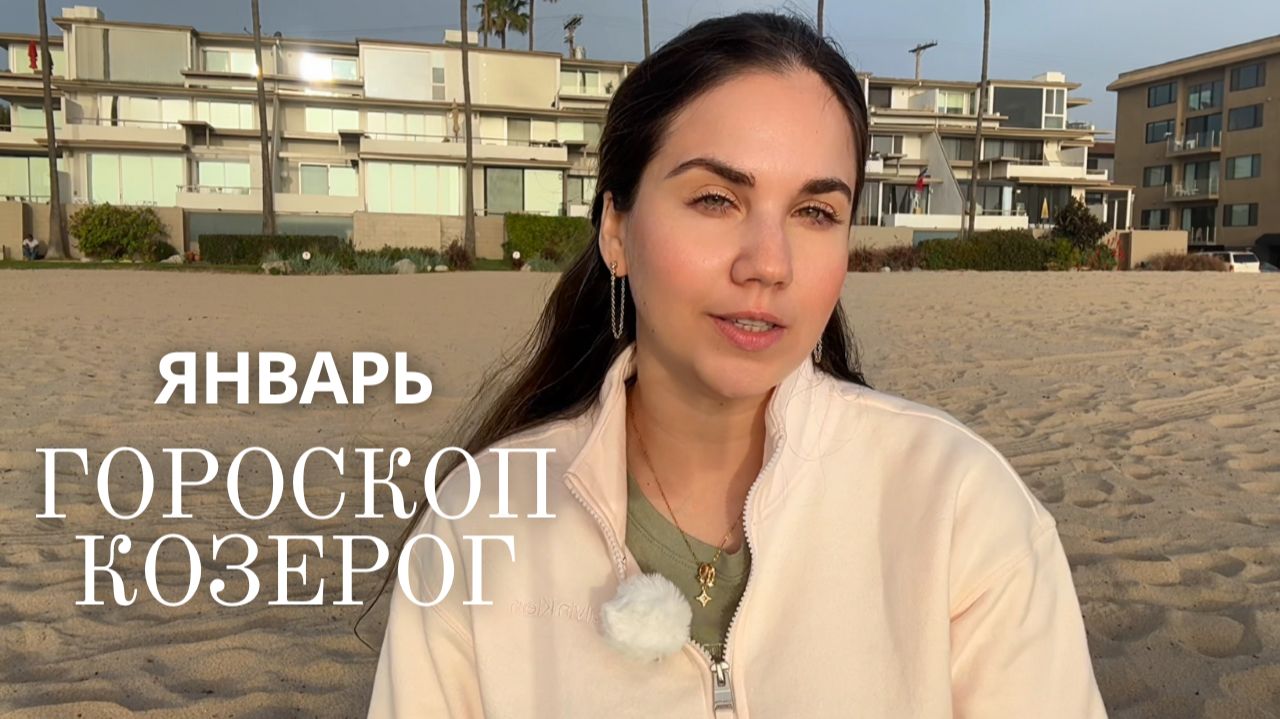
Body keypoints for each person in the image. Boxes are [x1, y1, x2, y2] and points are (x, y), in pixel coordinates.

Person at [367, 12, 1106, 718]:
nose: (768, 263)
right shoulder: (480, 523)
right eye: (717, 199)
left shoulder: (957, 506)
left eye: (815, 212)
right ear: (616, 231)